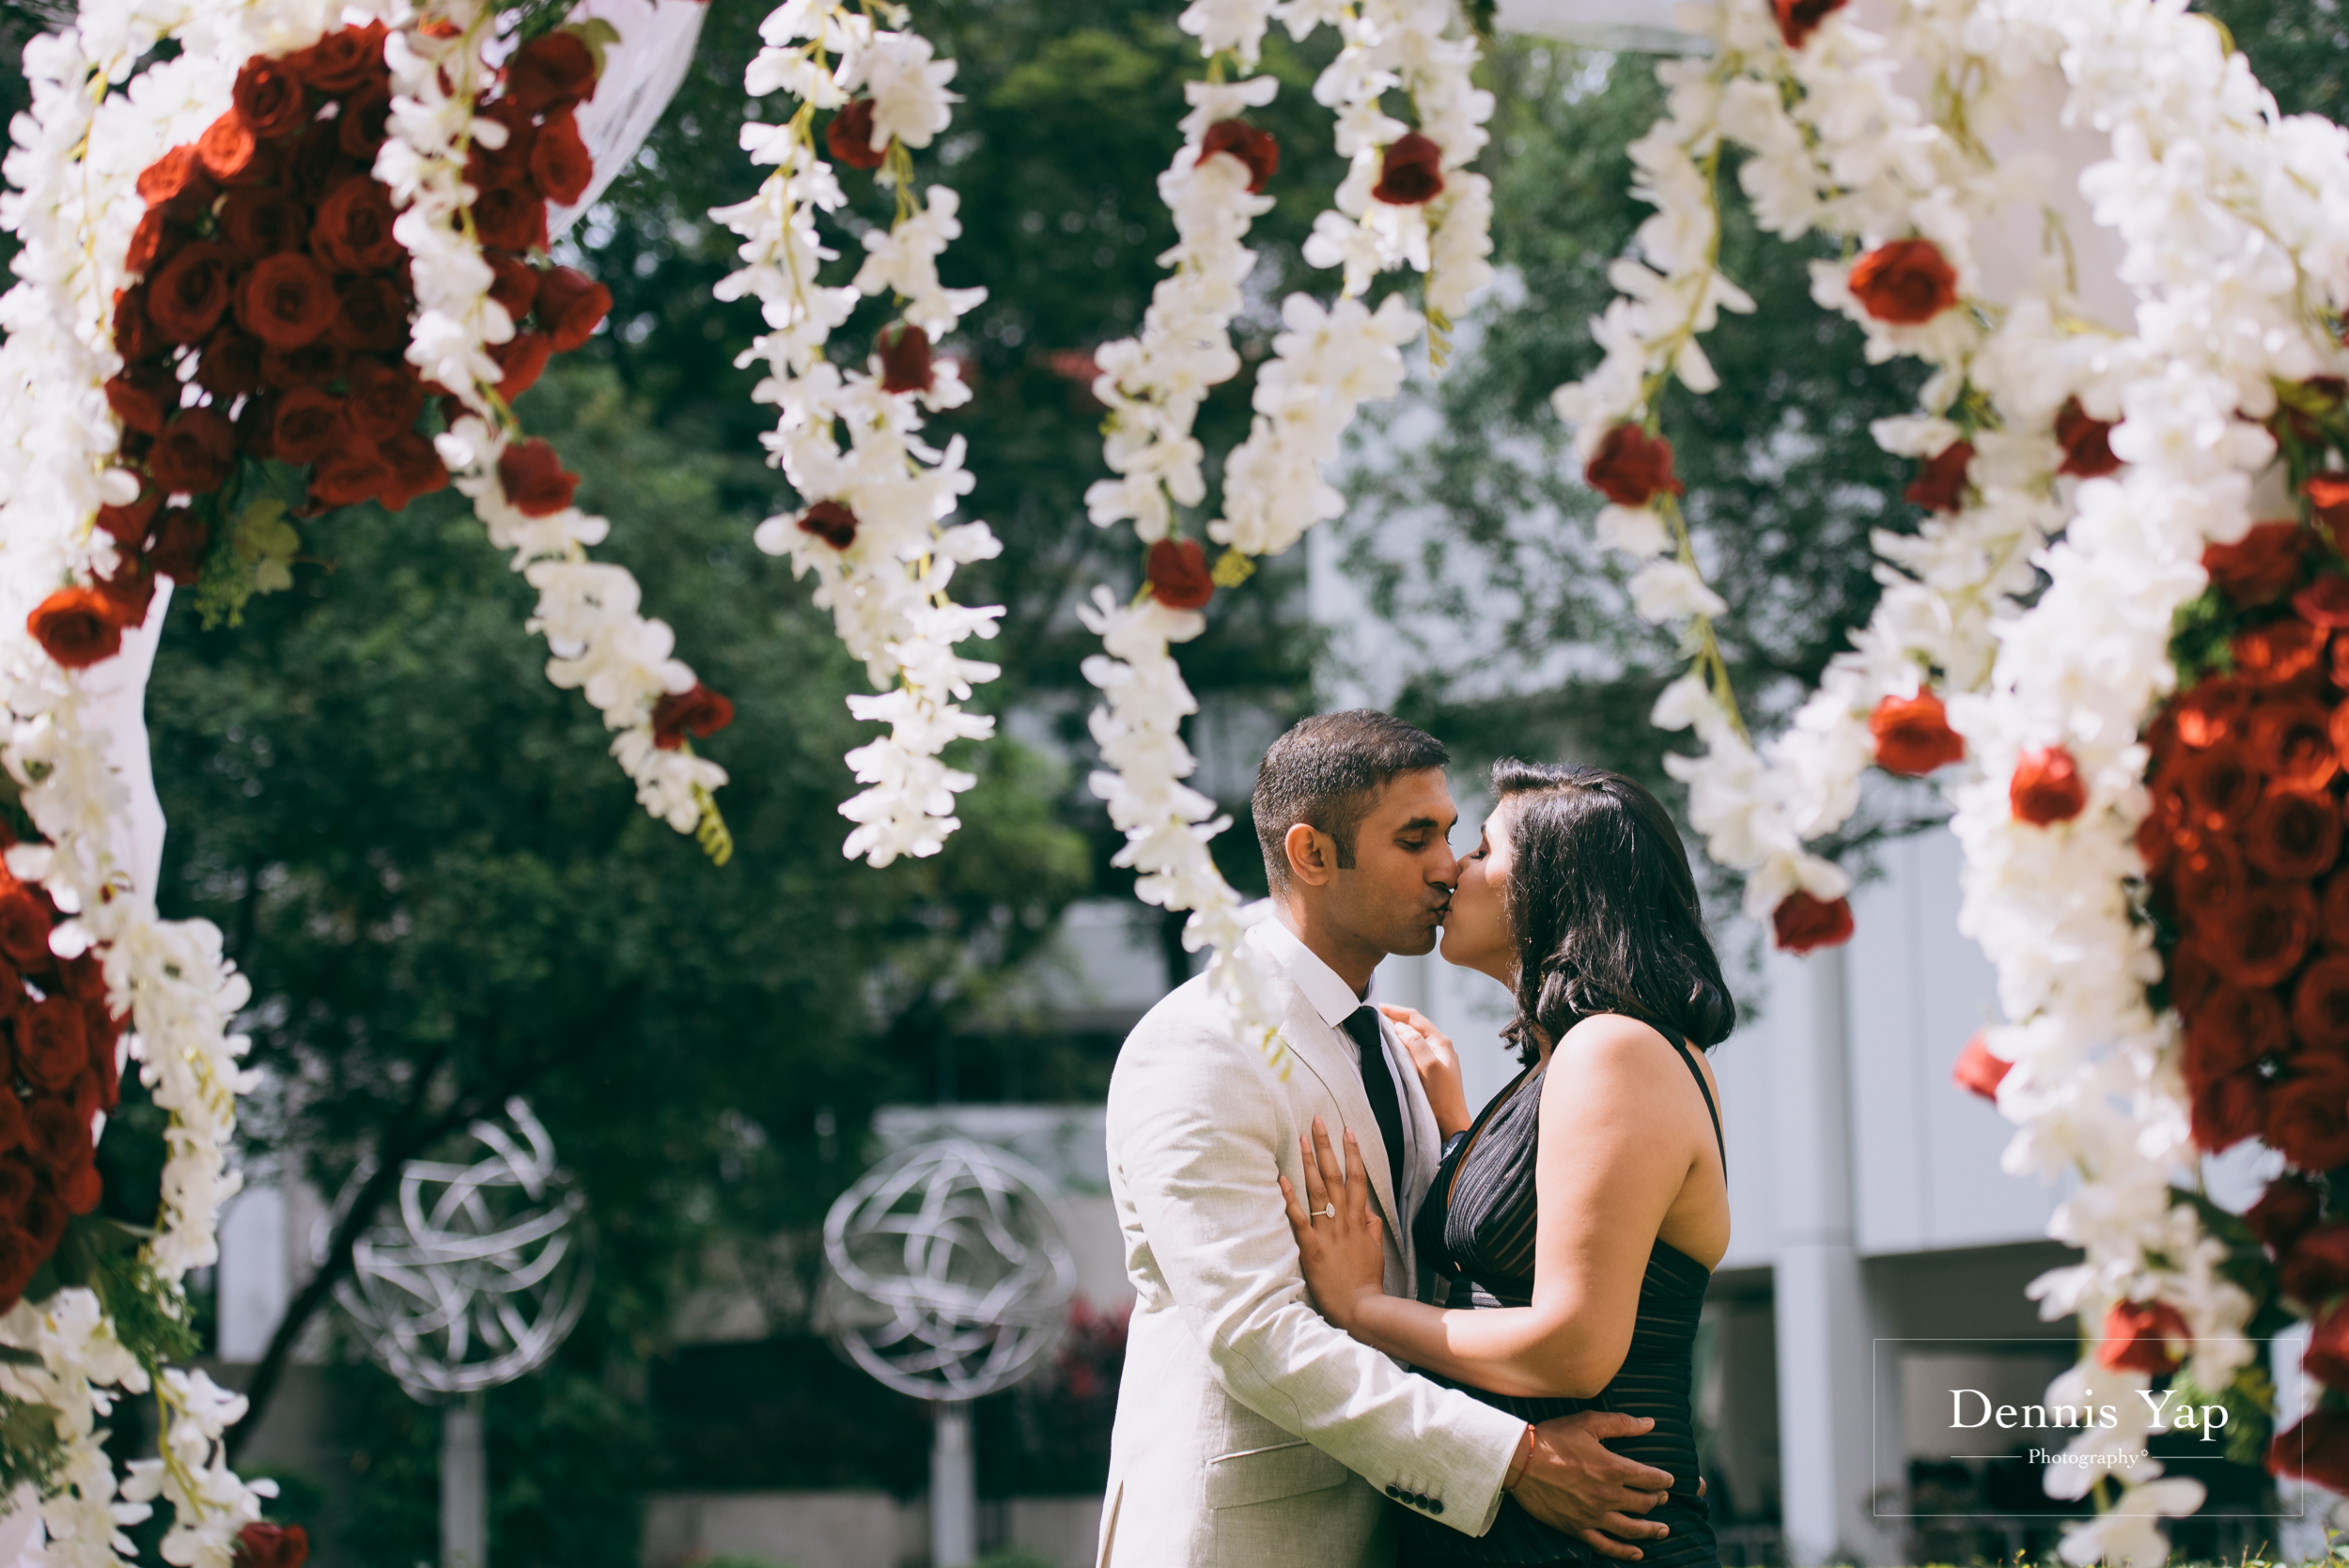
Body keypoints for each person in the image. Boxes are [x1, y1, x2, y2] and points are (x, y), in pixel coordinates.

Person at [1099, 715, 1686, 1568]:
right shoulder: (1200, 1041)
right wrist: (1516, 1460)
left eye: (1451, 833)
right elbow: (1256, 1334)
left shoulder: (1397, 1051)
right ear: (1312, 855)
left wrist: (1652, 1461)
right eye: (1415, 839)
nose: (1448, 865)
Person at [1279, 761, 1735, 1566]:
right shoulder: (1571, 1061)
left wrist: (1360, 1305)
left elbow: (1573, 1346)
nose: (1454, 869)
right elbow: (1529, 1244)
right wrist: (1464, 1132)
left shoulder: (1616, 1049)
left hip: (1591, 1535)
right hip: (1533, 1524)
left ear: (1557, 888)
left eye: (1484, 851)